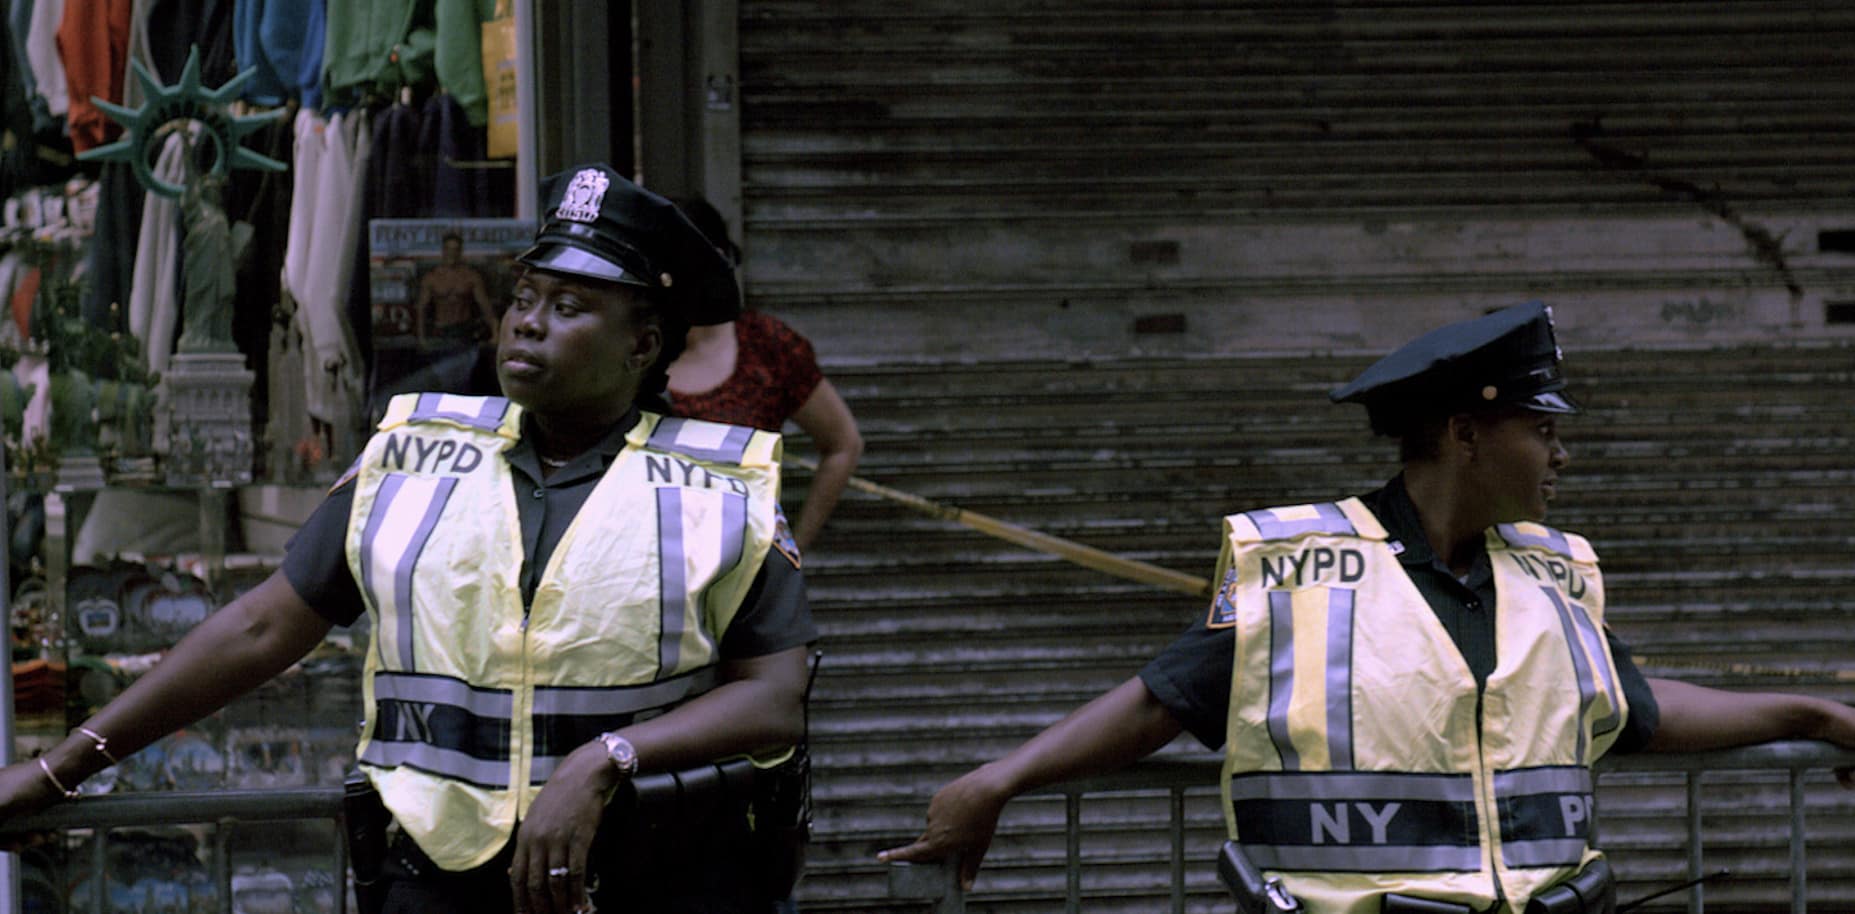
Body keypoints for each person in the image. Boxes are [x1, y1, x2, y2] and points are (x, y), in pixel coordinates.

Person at [0, 164, 818, 914]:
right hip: (439, 883)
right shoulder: (414, 453)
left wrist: (607, 757)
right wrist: (60, 767)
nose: (526, 325)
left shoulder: (718, 482)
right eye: (524, 297)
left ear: (642, 345)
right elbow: (261, 627)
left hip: (658, 880)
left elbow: (774, 697)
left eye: (568, 308)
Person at [880, 302, 1855, 914]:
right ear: (1465, 434)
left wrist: (1814, 714)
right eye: (1538, 428)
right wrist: (998, 779)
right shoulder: (1304, 568)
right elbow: (1159, 701)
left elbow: (1633, 705)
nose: (1560, 454)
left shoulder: (1549, 574)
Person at [666, 197, 862, 552]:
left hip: (743, 567)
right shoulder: (629, 348)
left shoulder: (766, 347)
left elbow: (843, 444)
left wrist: (792, 548)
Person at [414, 231, 497, 343]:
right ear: (443, 251)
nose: (451, 253)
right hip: (441, 330)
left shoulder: (471, 277)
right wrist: (421, 338)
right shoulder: (431, 278)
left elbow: (485, 305)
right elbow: (422, 309)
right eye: (448, 249)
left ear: (460, 252)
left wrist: (495, 332)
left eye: (455, 250)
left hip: (464, 330)